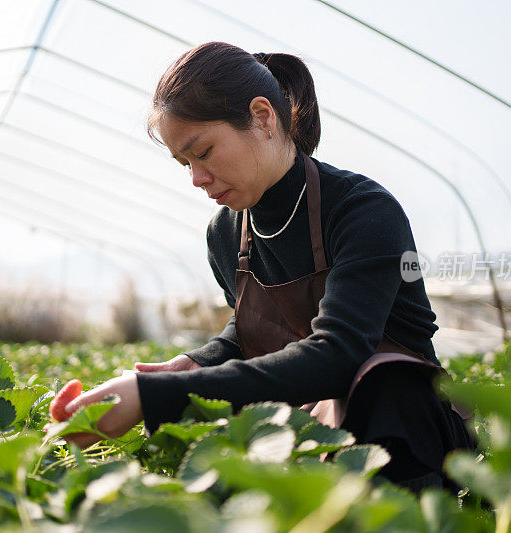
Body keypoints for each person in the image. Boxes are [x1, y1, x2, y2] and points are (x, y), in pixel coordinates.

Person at [60, 41, 475, 493]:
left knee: (385, 379)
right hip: (314, 424)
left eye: (204, 152)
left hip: (405, 432)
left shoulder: (362, 211)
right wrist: (191, 365)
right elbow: (248, 332)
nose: (197, 179)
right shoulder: (225, 232)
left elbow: (340, 354)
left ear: (263, 117)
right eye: (185, 163)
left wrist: (153, 399)